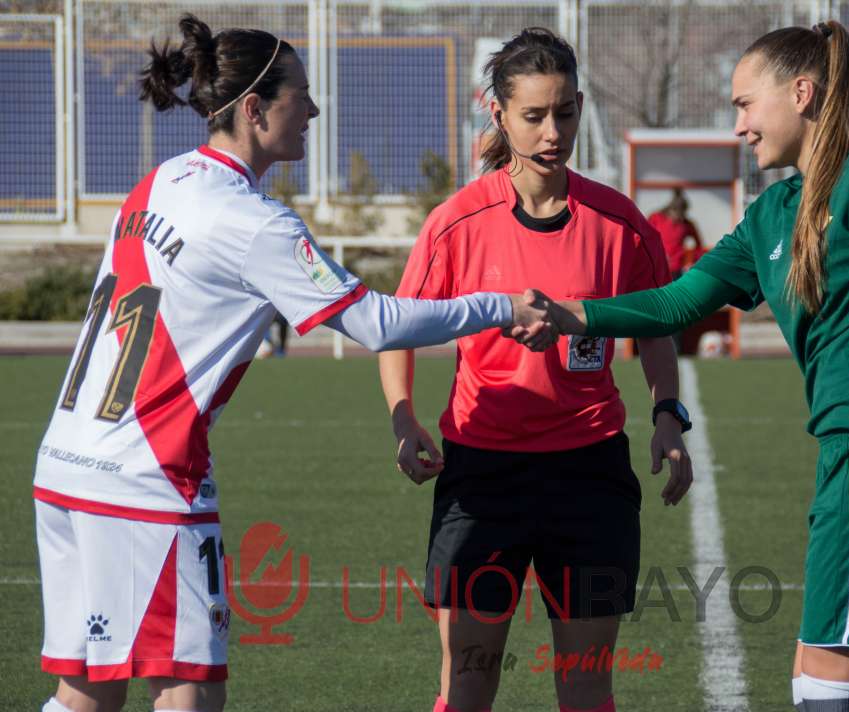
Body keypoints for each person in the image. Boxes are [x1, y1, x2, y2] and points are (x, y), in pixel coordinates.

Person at [32, 15, 549, 712]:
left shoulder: (156, 184)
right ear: (253, 108)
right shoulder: (252, 221)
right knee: (188, 695)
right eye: (298, 94)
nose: (311, 108)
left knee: (85, 693)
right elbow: (375, 322)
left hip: (65, 465)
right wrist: (496, 308)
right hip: (145, 480)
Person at [524, 21, 849, 712]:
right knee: (822, 689)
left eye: (744, 104)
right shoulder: (773, 212)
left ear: (801, 94)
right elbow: (679, 302)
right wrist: (573, 314)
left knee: (828, 697)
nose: (737, 125)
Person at [378, 27, 691, 712]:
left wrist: (668, 413)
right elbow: (394, 327)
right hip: (481, 477)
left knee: (585, 683)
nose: (554, 131)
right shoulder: (458, 223)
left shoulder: (619, 224)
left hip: (590, 477)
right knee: (469, 679)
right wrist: (404, 418)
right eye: (534, 115)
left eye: (567, 112)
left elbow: (657, 327)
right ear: (498, 113)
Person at [648, 188, 703, 278]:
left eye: (683, 215)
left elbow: (699, 246)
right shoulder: (656, 218)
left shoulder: (687, 224)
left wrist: (691, 262)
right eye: (679, 215)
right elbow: (646, 238)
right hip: (657, 266)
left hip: (676, 269)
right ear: (671, 210)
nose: (680, 219)